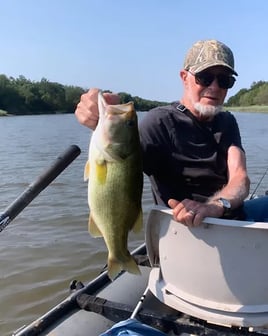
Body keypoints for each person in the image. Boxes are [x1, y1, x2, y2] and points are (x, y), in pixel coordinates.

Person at [75, 39, 268, 226]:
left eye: (224, 80)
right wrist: (102, 121)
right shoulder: (159, 122)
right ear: (185, 78)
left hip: (234, 218)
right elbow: (122, 161)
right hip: (191, 230)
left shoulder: (227, 121)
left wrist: (217, 206)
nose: (215, 87)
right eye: (205, 77)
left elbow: (239, 177)